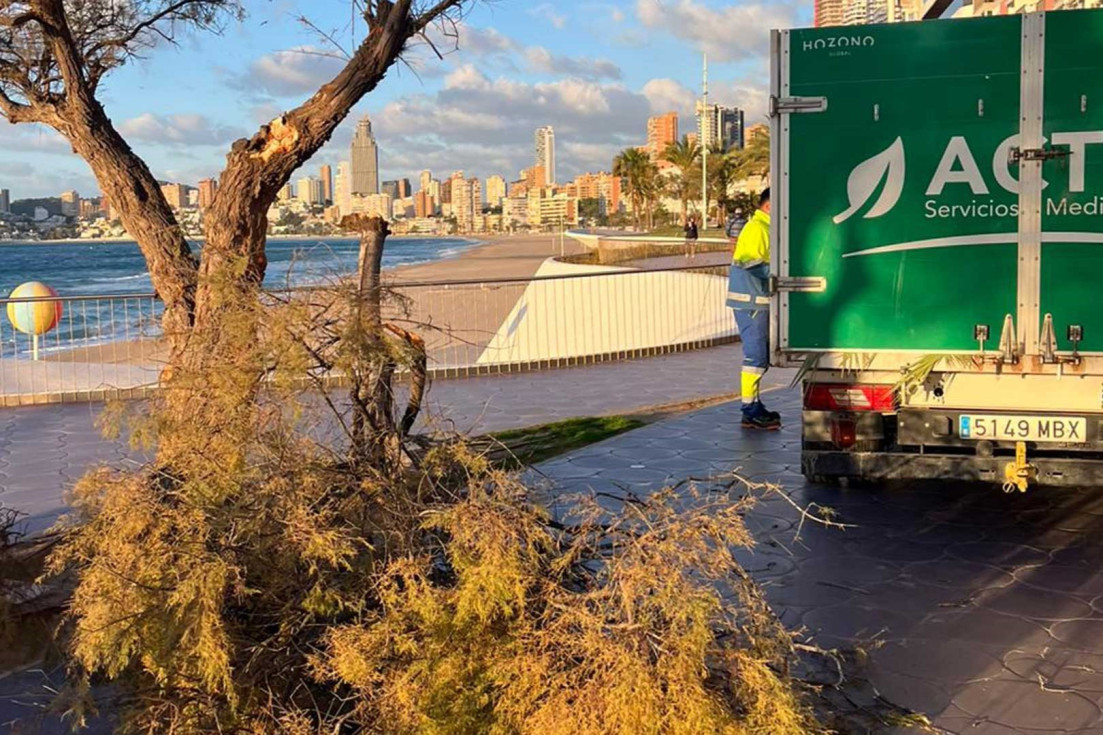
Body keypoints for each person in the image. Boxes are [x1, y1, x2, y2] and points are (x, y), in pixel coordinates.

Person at [726, 188, 780, 430]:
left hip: (756, 301)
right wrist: (778, 280)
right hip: (752, 303)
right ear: (769, 206)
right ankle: (749, 409)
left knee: (760, 357)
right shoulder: (757, 228)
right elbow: (751, 262)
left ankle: (753, 405)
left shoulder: (765, 227)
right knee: (755, 357)